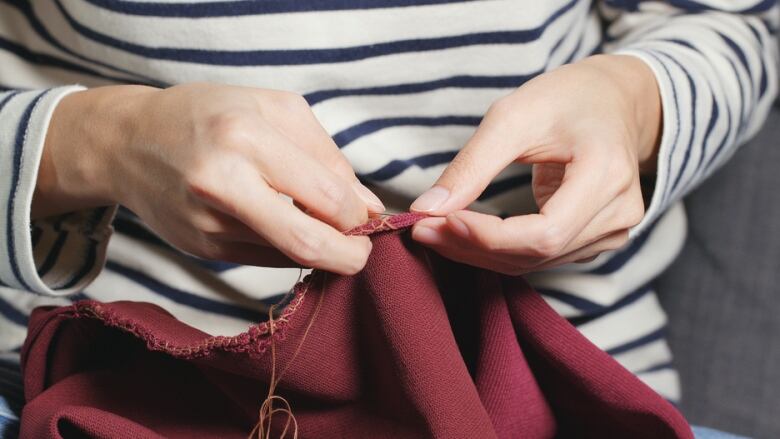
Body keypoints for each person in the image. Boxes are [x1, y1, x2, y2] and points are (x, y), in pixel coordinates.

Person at [0, 1, 776, 437]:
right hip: (117, 390)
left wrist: (635, 104)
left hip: (570, 398)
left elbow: (739, 24)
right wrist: (97, 143)